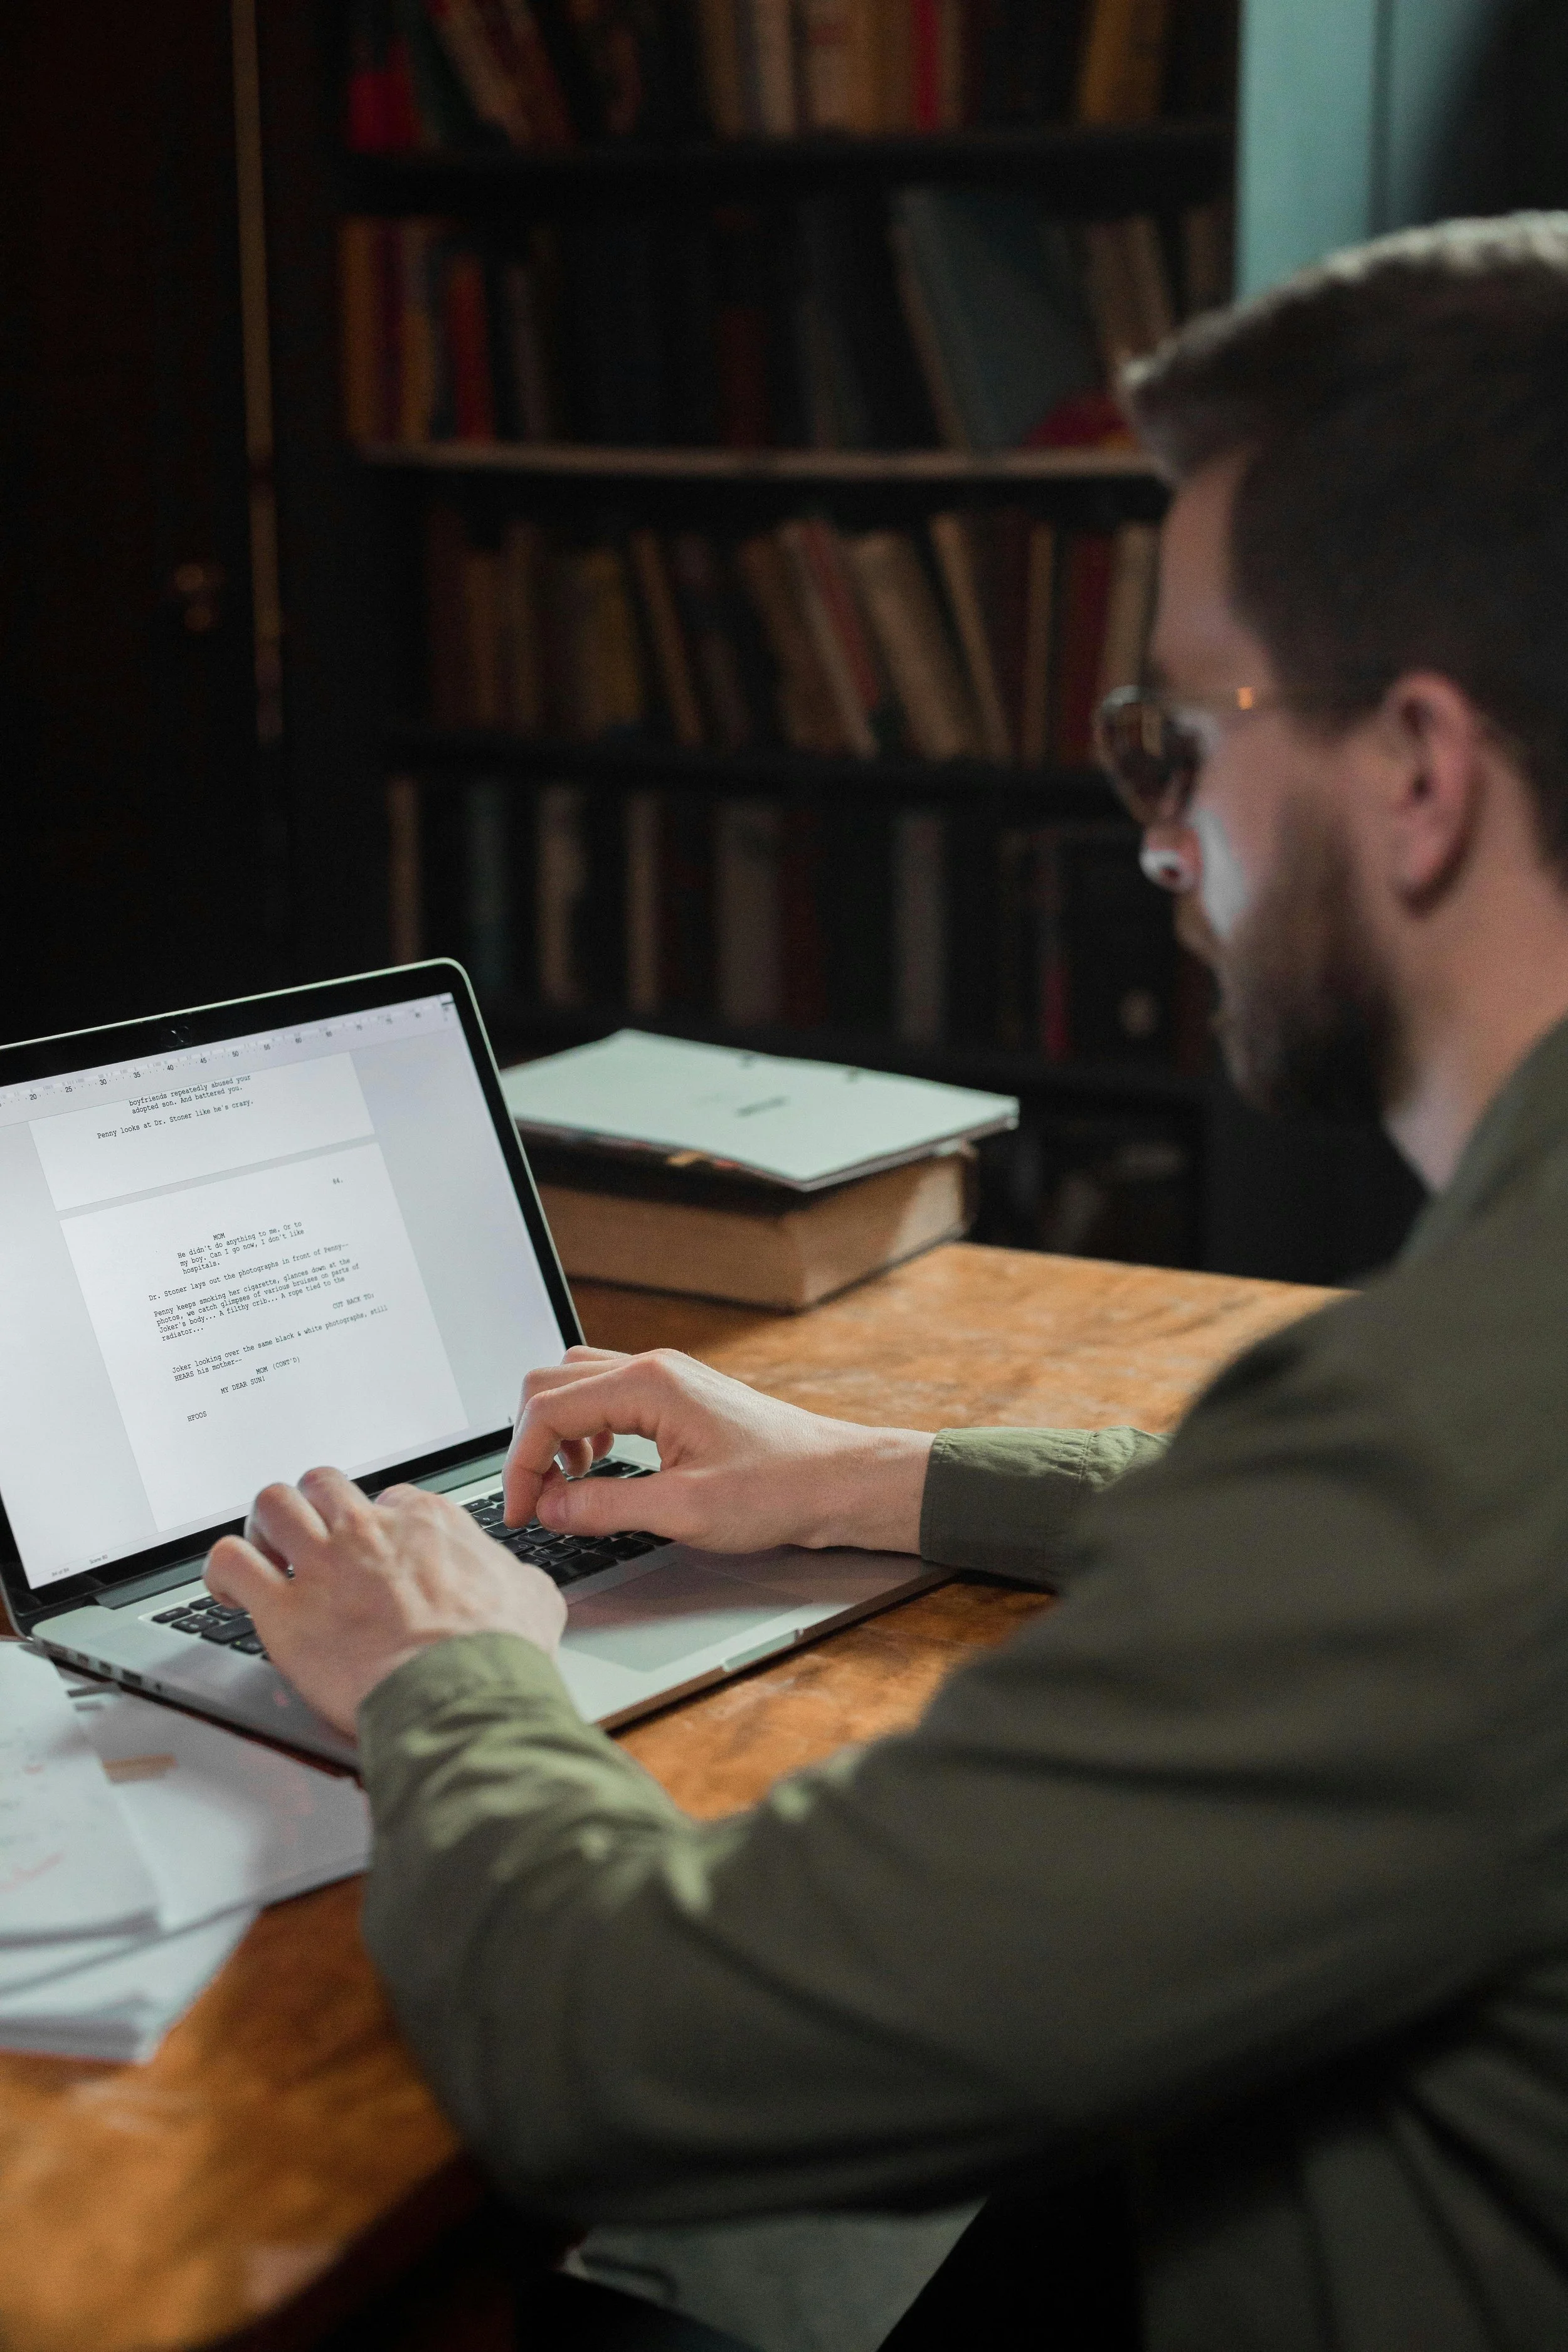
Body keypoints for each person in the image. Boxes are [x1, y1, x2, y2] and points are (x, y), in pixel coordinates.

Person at [208, 216, 1568, 2351]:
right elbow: (1372, 1566)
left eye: (1173, 739)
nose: (1157, 842)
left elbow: (611, 2045)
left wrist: (435, 1671)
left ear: (1417, 771)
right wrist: (868, 1469)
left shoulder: (1450, 1455)